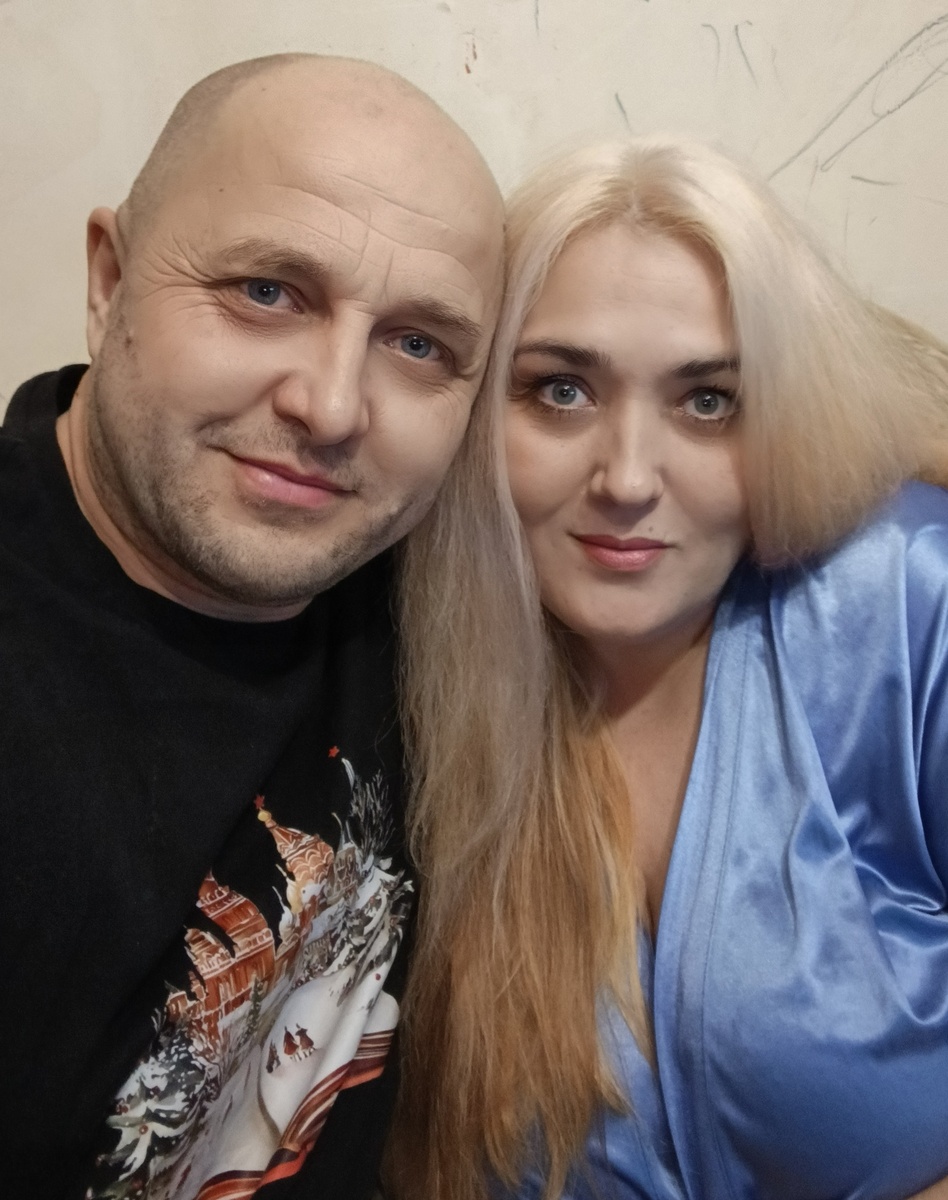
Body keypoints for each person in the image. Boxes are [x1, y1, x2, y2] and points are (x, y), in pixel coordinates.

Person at [387, 136, 948, 1200]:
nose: (629, 479)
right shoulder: (401, 695)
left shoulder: (910, 598)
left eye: (708, 401)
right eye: (561, 390)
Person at [0, 52, 503, 1200]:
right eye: (267, 292)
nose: (331, 406)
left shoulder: (430, 601)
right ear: (110, 278)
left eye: (418, 344)